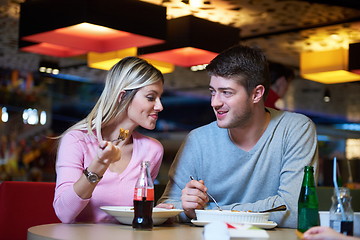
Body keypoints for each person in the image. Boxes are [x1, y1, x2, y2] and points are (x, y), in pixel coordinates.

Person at [157, 45, 318, 228]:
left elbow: (295, 212)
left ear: (256, 94)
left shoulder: (295, 129)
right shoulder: (198, 139)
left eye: (226, 92)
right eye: (212, 92)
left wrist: (208, 212)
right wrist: (187, 208)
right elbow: (165, 208)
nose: (215, 103)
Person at [53, 57, 165, 223]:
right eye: (151, 97)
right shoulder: (76, 140)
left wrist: (157, 212)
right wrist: (100, 164)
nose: (160, 106)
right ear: (122, 97)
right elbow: (64, 213)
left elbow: (138, 212)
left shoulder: (152, 150)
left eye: (160, 97)